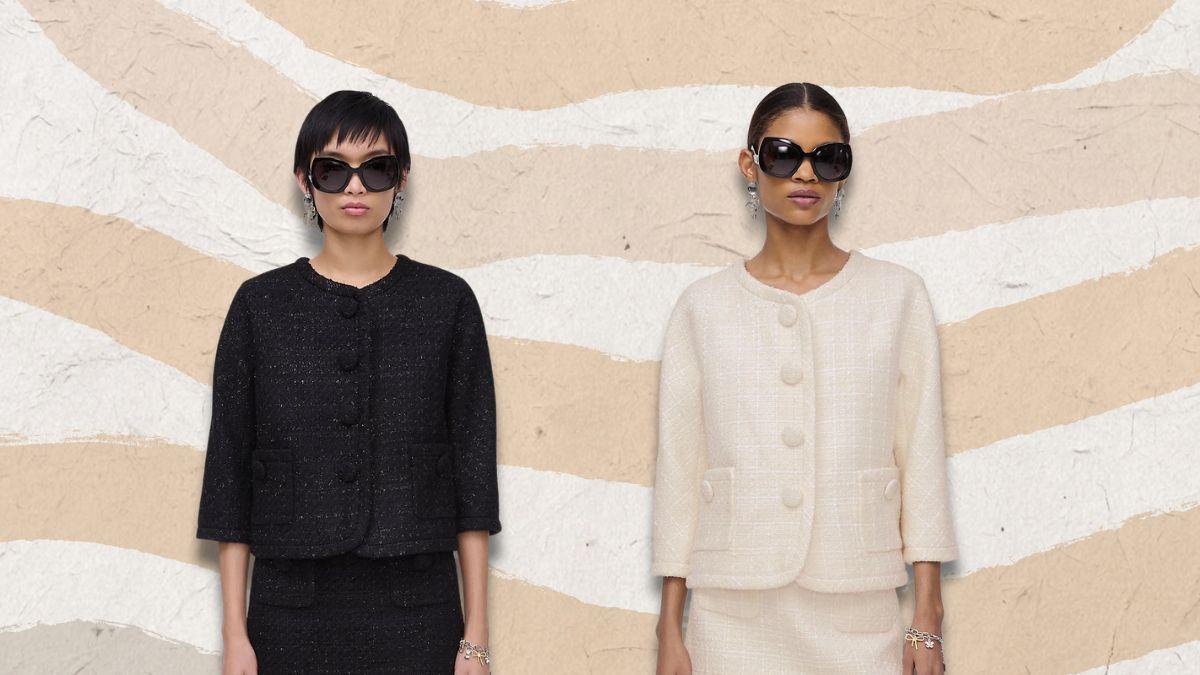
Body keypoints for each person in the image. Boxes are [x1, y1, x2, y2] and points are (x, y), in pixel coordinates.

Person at [651, 82, 959, 674]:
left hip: (856, 602)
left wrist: (928, 619)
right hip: (732, 609)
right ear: (750, 163)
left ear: (845, 171)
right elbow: (679, 469)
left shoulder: (897, 296)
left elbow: (921, 454)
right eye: (783, 154)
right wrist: (671, 625)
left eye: (828, 157)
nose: (806, 173)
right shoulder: (702, 307)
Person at [195, 90, 500, 674]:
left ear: (401, 178)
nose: (354, 187)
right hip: (289, 611)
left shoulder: (447, 303)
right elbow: (229, 476)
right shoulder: (260, 307)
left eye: (375, 168)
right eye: (332, 170)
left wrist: (475, 639)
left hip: (420, 608)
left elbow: (474, 479)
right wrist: (235, 637)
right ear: (304, 182)